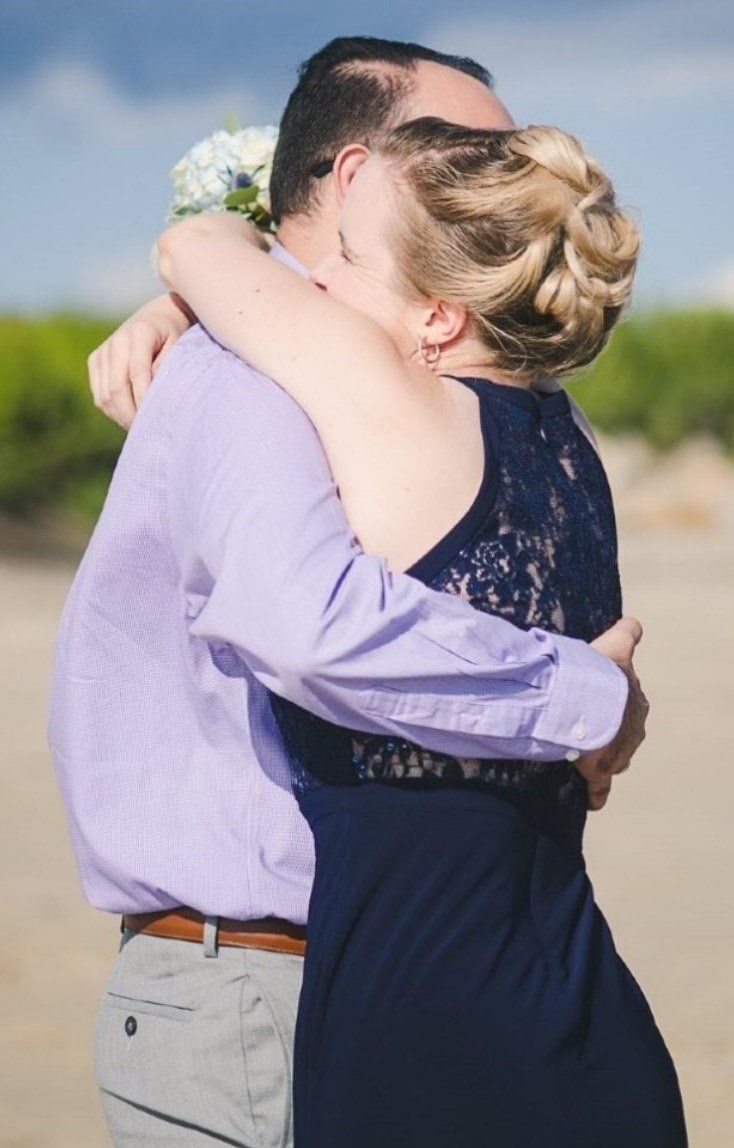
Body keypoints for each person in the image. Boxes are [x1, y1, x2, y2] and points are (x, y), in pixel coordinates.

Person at [52, 38, 647, 1148]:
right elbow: (308, 622)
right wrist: (582, 692)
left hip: (376, 984)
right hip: (263, 989)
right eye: (463, 151)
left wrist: (189, 270)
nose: (496, 173)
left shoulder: (352, 374)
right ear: (355, 169)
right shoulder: (282, 367)